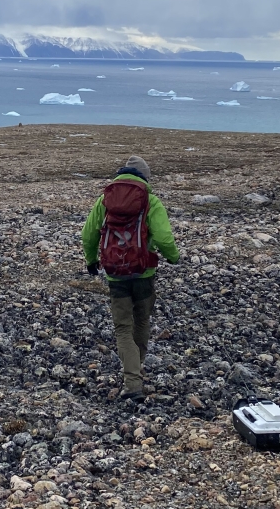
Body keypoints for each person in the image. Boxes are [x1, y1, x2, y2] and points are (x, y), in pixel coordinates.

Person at [81, 156, 180, 401]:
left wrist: (91, 260)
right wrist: (173, 257)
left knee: (122, 327)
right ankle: (135, 371)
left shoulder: (105, 200)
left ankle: (132, 378)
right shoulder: (151, 201)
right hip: (143, 271)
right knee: (142, 320)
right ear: (144, 176)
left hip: (115, 273)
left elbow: (88, 234)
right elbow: (165, 237)